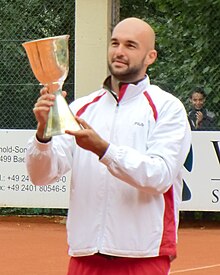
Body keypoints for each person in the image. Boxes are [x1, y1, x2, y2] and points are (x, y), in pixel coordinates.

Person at [25, 17, 191, 275]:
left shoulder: (167, 108)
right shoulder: (81, 107)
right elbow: (40, 175)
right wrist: (42, 134)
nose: (119, 51)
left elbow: (159, 176)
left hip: (142, 256)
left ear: (151, 56)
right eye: (115, 43)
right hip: (85, 256)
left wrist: (104, 150)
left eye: (130, 45)